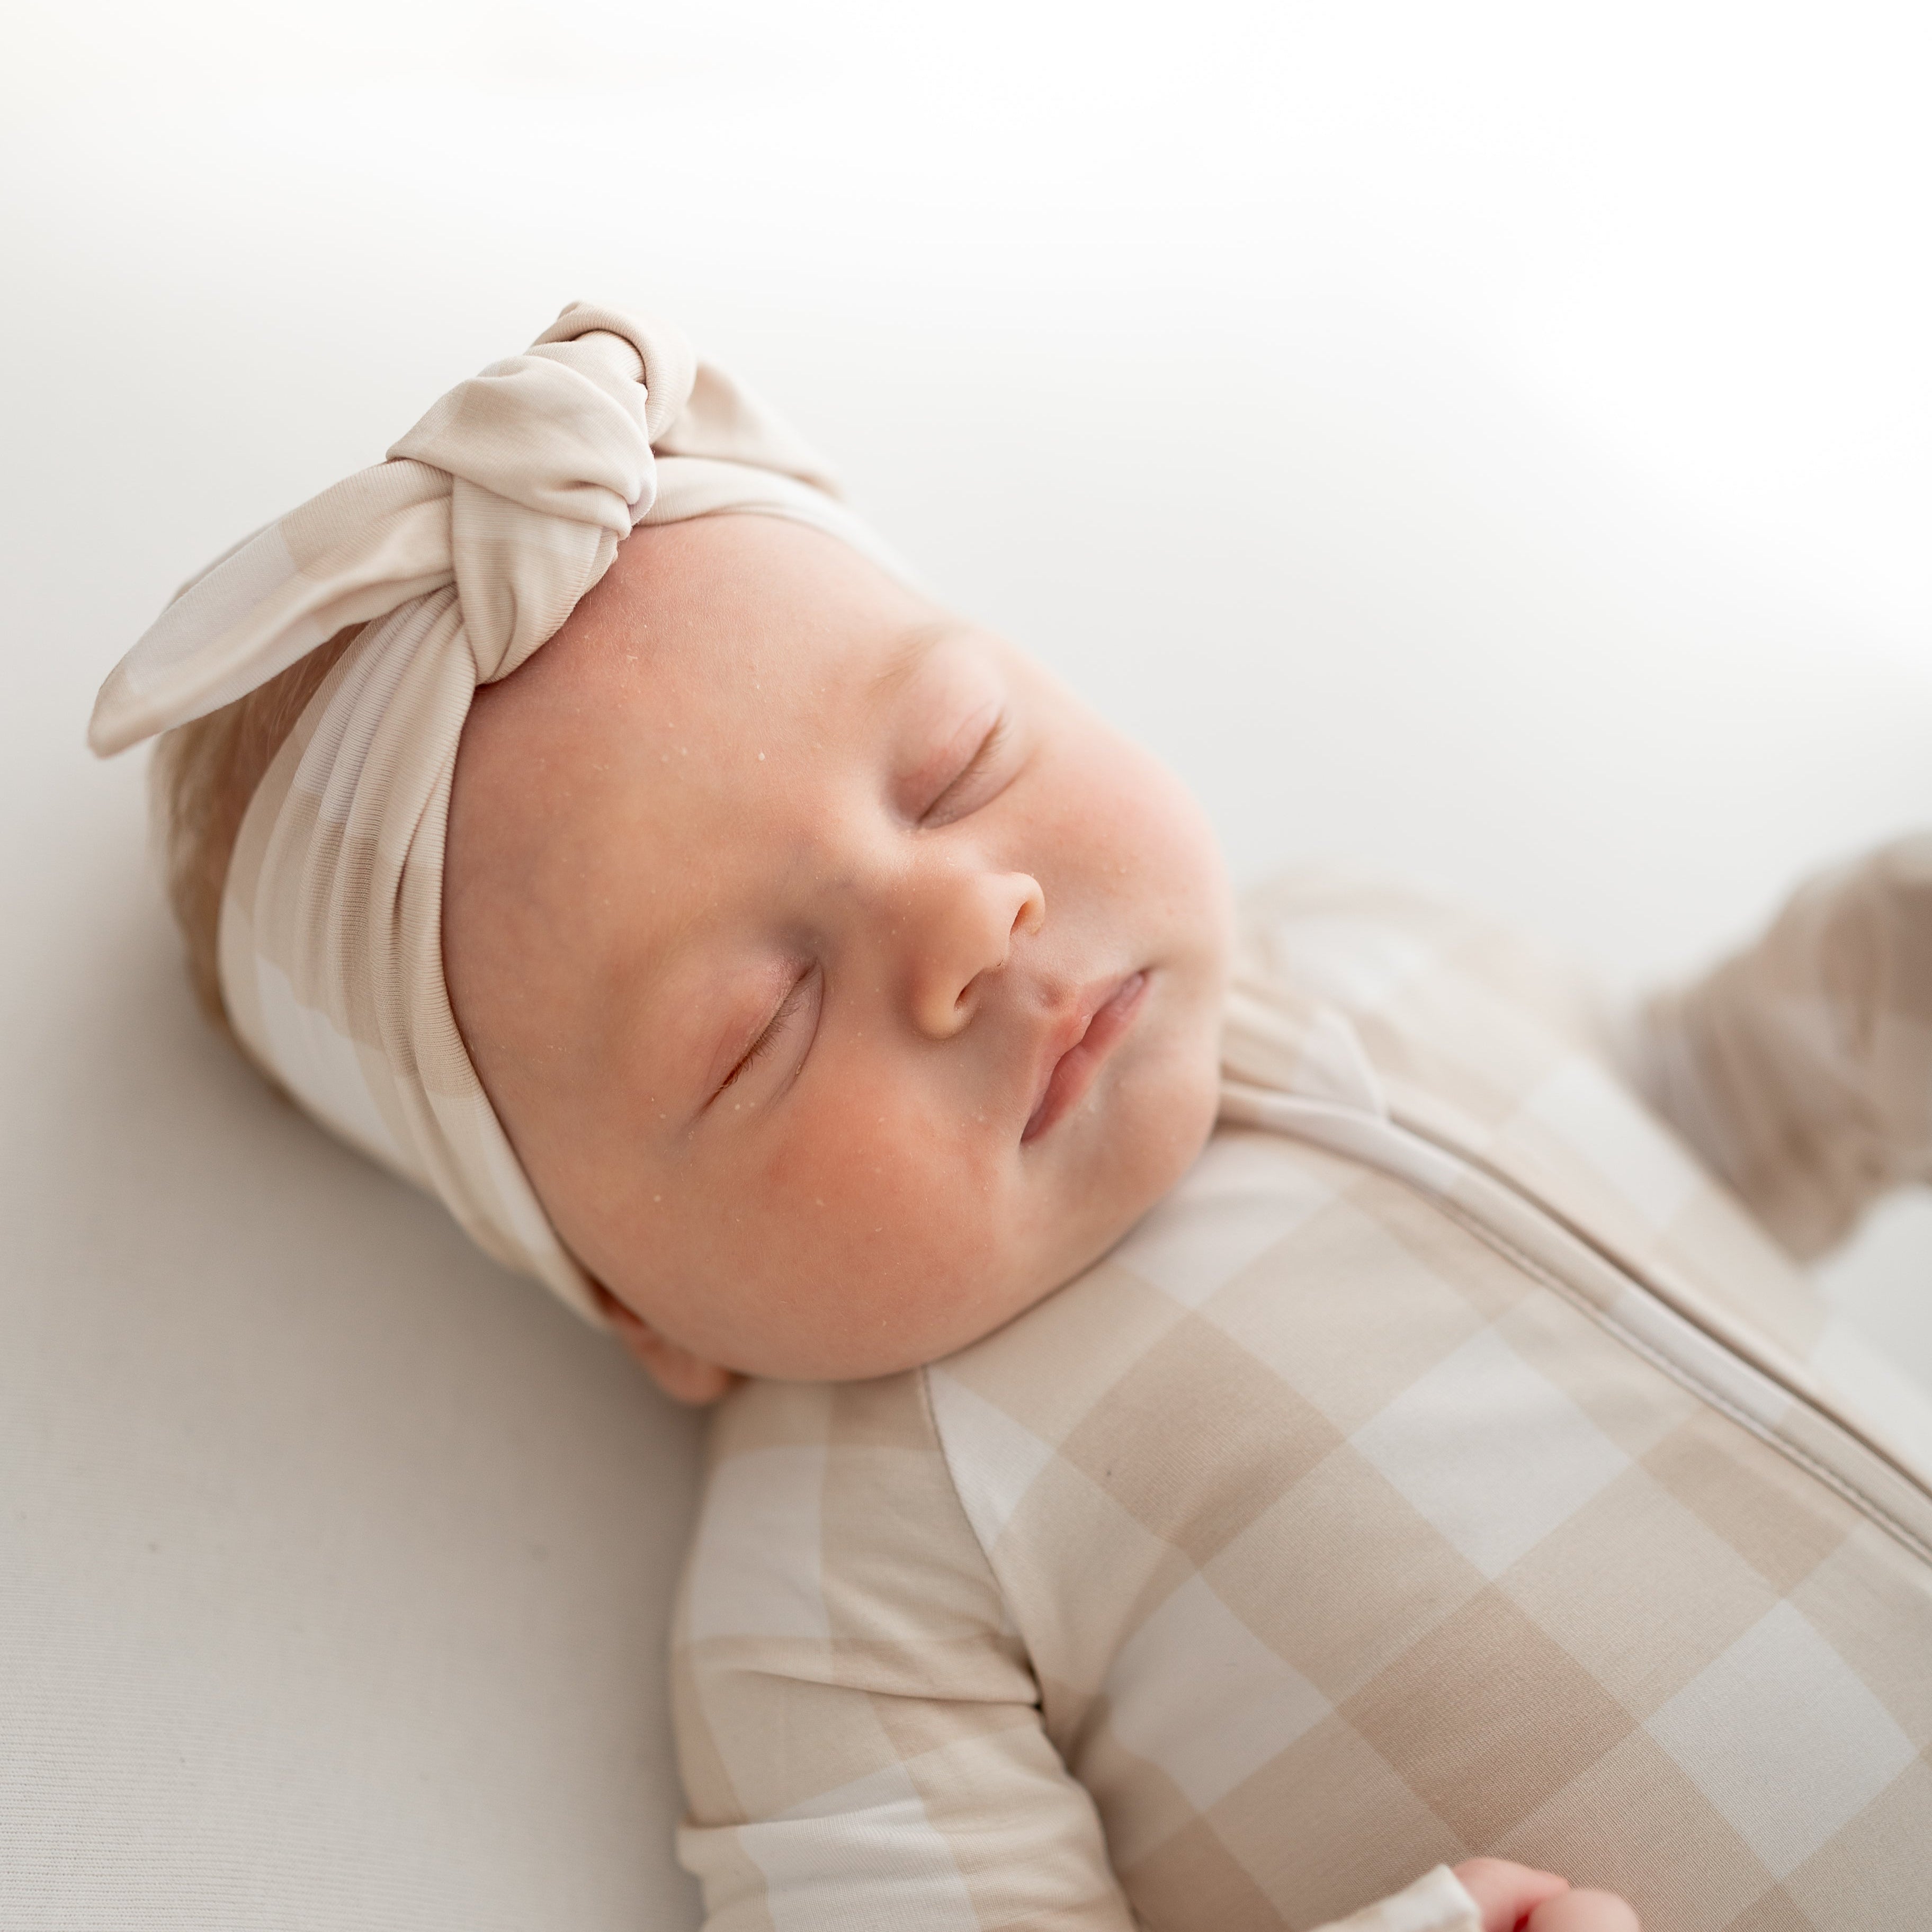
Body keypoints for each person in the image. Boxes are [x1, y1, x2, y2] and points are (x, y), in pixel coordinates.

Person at [96, 303, 1932, 1932]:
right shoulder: (842, 1600)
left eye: (963, 757)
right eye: (762, 1030)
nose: (968, 919)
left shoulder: (1380, 943)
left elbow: (1727, 1110)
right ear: (636, 1306)